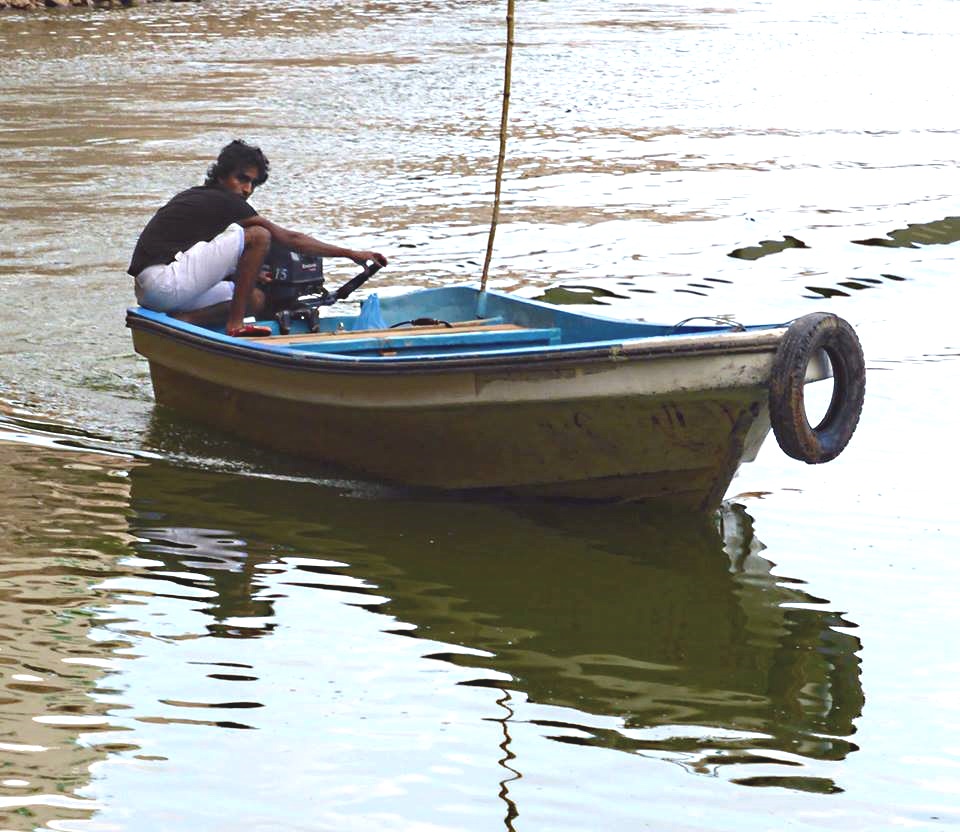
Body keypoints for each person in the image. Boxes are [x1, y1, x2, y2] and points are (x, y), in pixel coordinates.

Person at [127, 139, 388, 337]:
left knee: (255, 298)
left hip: (154, 292)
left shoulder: (205, 200)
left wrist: (246, 273)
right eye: (242, 179)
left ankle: (187, 321)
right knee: (259, 236)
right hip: (163, 282)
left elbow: (200, 255)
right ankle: (235, 326)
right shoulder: (221, 199)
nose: (247, 189)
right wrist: (350, 254)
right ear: (221, 175)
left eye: (253, 184)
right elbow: (289, 239)